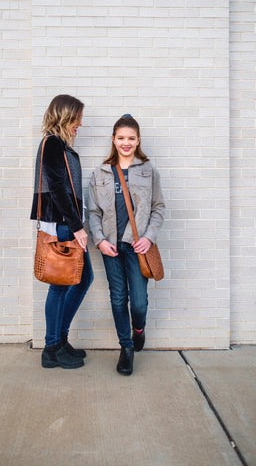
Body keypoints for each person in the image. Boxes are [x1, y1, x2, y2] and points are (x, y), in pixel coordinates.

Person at [89, 114, 165, 375]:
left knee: (139, 303)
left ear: (138, 140)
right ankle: (126, 348)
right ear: (113, 139)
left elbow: (158, 208)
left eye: (131, 138)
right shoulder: (100, 172)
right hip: (110, 247)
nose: (126, 143)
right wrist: (99, 241)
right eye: (121, 138)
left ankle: (139, 328)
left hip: (136, 247)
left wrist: (148, 237)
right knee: (118, 298)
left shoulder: (148, 171)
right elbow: (93, 213)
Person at [31, 94, 93, 369]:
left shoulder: (58, 145)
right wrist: (77, 227)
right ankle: (52, 347)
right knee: (61, 284)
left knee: (81, 279)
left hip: (65, 222)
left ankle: (60, 340)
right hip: (61, 225)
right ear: (65, 116)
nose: (80, 123)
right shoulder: (52, 143)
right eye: (77, 117)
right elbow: (57, 188)